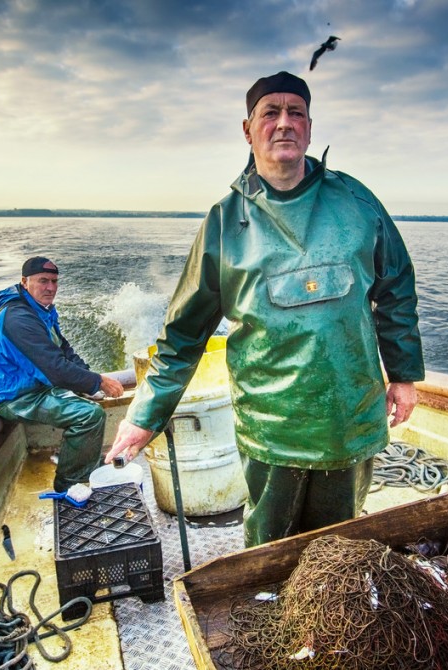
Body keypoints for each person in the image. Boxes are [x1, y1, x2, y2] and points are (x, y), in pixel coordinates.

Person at [105, 71, 425, 546]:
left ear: (310, 128)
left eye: (296, 113)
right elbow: (184, 334)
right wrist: (145, 415)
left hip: (349, 417)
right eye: (270, 113)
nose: (284, 123)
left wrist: (402, 374)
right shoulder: (223, 222)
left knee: (341, 548)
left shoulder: (357, 201)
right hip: (271, 428)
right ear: (248, 129)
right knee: (270, 549)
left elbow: (396, 287)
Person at [0, 256, 124, 492]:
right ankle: (69, 484)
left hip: (39, 386)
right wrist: (98, 382)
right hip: (17, 397)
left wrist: (88, 379)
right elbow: (56, 369)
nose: (51, 288)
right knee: (88, 415)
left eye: (54, 281)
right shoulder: (18, 319)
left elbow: (63, 350)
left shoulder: (39, 309)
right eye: (43, 281)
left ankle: (85, 464)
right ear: (25, 282)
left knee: (89, 400)